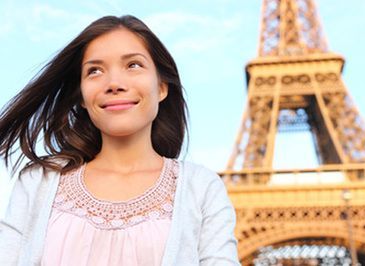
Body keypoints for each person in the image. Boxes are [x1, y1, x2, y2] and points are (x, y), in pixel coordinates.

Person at [0, 15, 239, 265]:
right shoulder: (39, 180)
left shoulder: (201, 188)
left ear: (162, 87)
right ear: (81, 95)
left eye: (133, 65)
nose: (114, 83)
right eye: (95, 71)